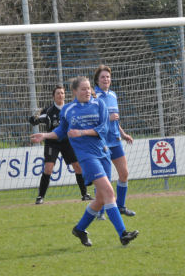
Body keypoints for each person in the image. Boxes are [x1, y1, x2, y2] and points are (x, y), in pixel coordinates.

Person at [30, 76, 139, 246]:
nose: (87, 91)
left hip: (103, 153)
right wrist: (45, 135)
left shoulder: (99, 105)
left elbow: (102, 129)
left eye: (89, 88)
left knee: (102, 199)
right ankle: (123, 234)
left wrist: (82, 132)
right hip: (86, 157)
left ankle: (80, 229)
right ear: (74, 91)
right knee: (109, 193)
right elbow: (60, 132)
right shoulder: (67, 109)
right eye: (83, 89)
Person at [29, 84, 92, 204]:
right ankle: (40, 196)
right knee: (48, 168)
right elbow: (35, 120)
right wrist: (33, 119)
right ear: (53, 96)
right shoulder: (48, 111)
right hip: (52, 142)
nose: (60, 95)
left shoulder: (69, 109)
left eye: (62, 93)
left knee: (77, 166)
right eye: (58, 93)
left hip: (67, 141)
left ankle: (84, 194)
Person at [93, 65, 135, 217]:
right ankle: (100, 211)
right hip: (101, 142)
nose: (106, 79)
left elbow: (115, 120)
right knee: (104, 179)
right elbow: (91, 120)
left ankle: (121, 206)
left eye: (108, 77)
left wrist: (123, 134)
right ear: (97, 80)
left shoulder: (113, 95)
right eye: (103, 77)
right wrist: (107, 118)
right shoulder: (93, 97)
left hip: (115, 141)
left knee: (124, 173)